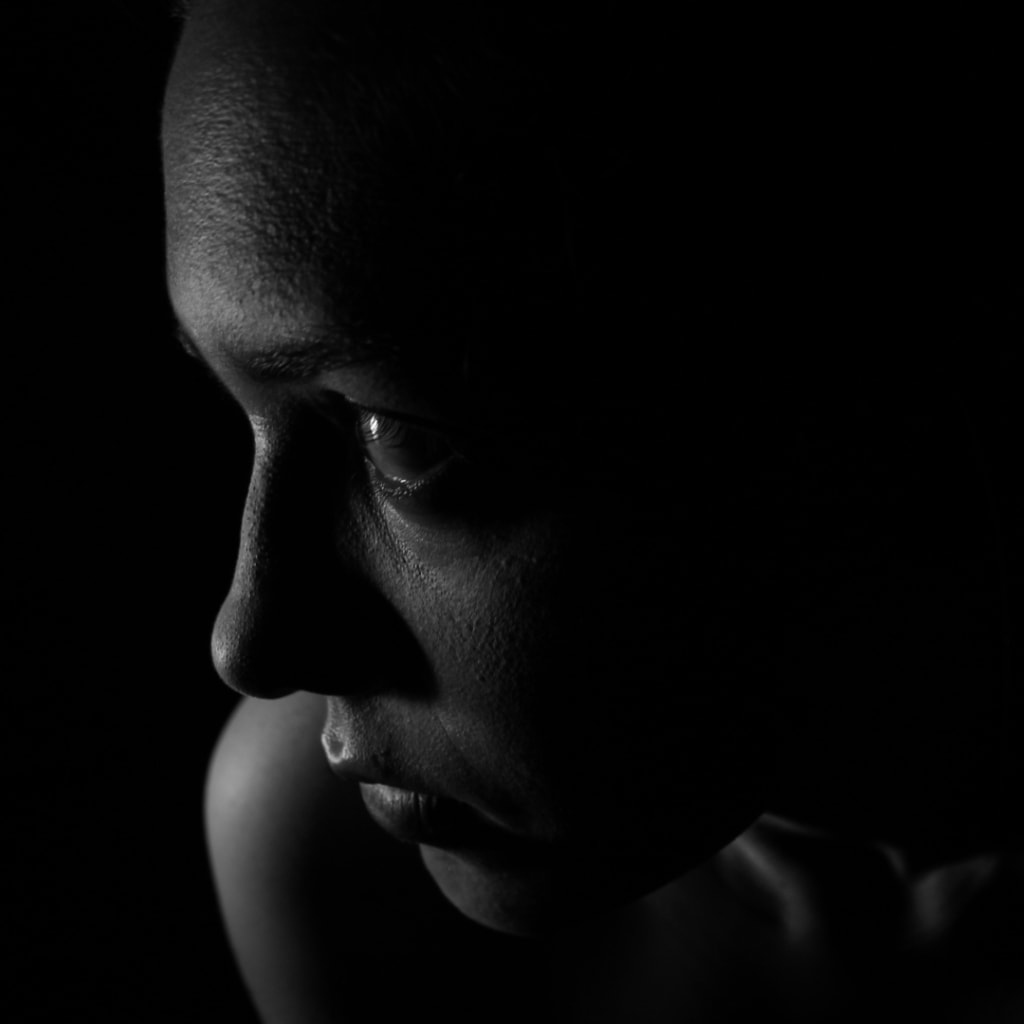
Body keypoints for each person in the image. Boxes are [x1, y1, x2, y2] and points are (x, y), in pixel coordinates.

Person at [162, 1, 1023, 1020]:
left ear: (844, 382)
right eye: (242, 407)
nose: (251, 642)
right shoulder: (332, 864)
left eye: (404, 441)